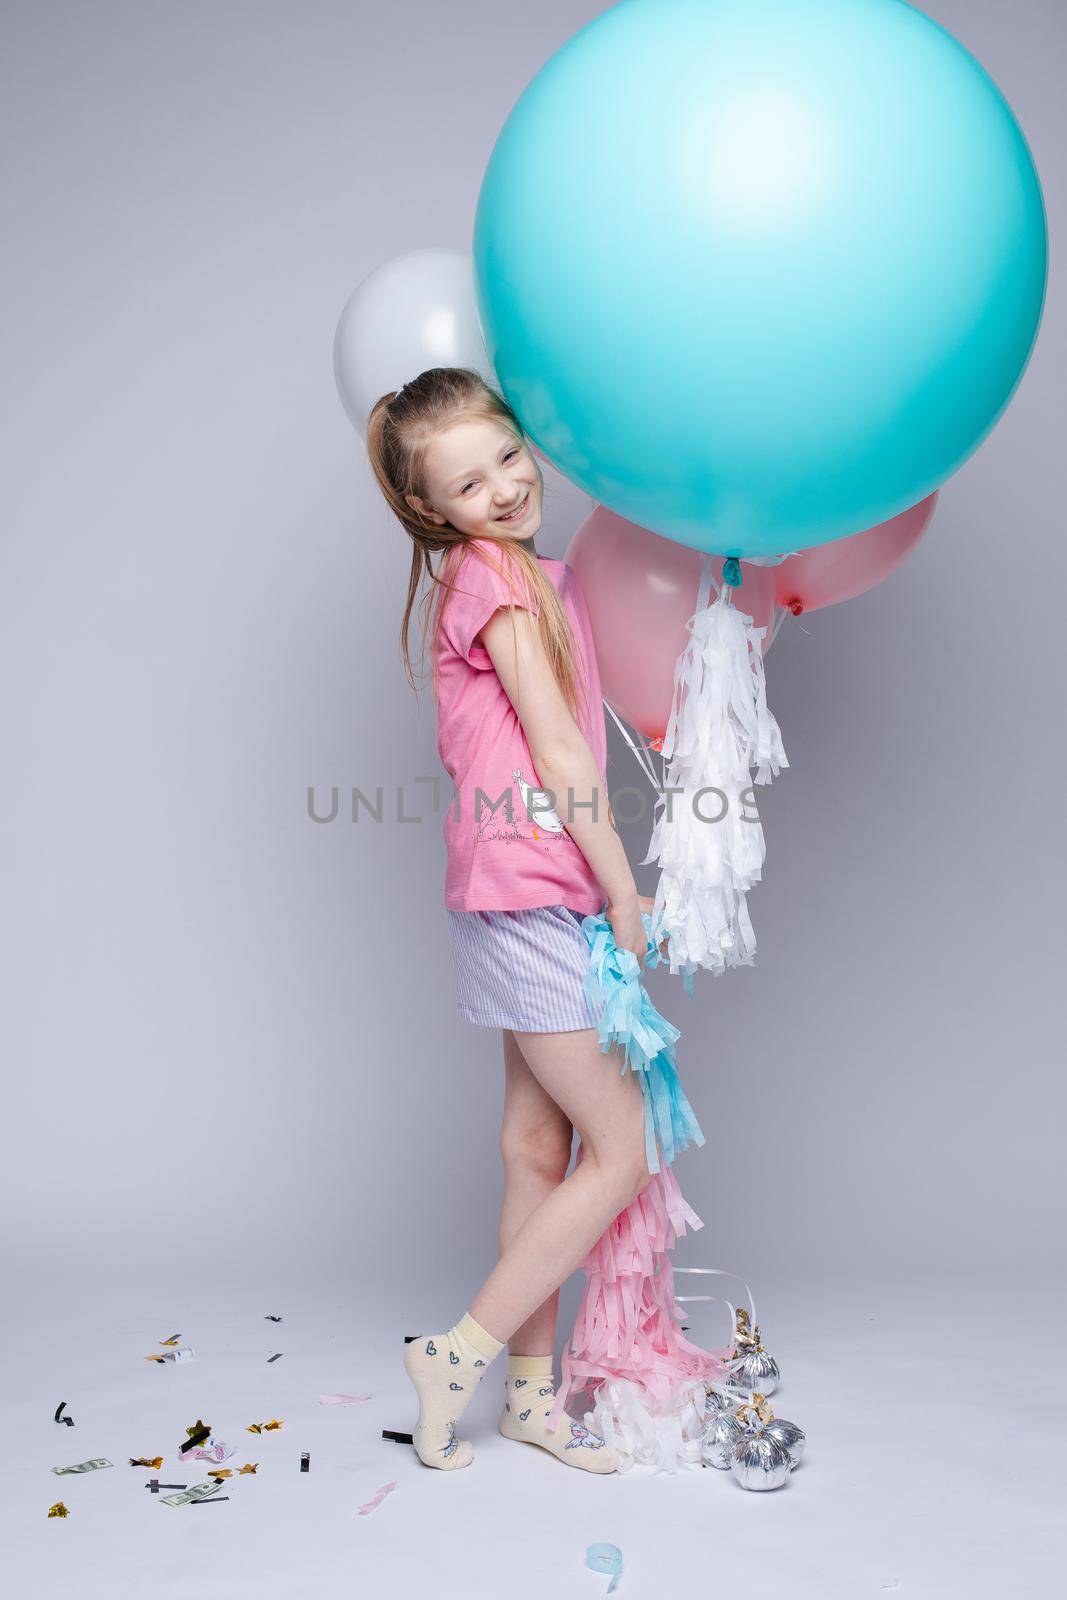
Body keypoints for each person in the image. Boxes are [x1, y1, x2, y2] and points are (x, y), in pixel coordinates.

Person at [365, 367, 654, 1474]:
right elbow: (560, 748)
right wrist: (623, 888)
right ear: (432, 511)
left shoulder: (541, 575)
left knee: (537, 1147)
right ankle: (458, 1356)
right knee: (619, 1150)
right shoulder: (493, 575)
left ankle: (527, 1402)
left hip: (510, 886)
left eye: (506, 456)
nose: (500, 488)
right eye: (465, 482)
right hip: (533, 886)